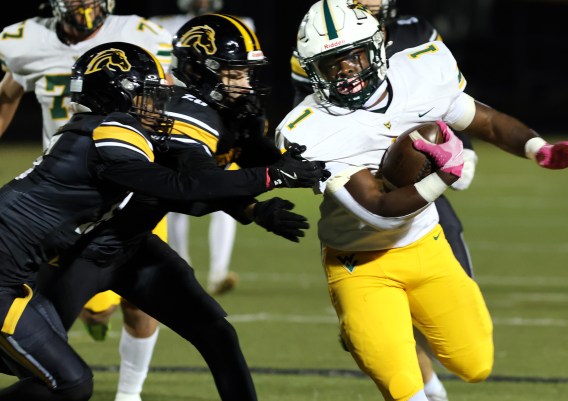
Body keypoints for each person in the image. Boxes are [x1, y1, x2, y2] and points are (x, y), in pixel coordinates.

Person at [275, 0, 568, 401]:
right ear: (311, 71)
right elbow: (379, 211)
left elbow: (487, 121)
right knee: (402, 385)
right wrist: (446, 173)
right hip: (360, 262)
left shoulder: (421, 71)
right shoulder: (309, 129)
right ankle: (363, 324)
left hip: (427, 245)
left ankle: (374, 329)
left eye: (353, 56)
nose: (346, 72)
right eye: (330, 64)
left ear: (378, 45)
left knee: (475, 364)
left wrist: (538, 149)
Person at [0, 40, 325, 400]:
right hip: (79, 254)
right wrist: (270, 177)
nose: (158, 104)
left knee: (213, 331)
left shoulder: (111, 128)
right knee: (59, 375)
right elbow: (185, 186)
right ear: (117, 94)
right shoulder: (111, 130)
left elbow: (185, 184)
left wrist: (252, 206)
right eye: (147, 94)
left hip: (130, 244)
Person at [289, 0, 474, 399]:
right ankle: (425, 389)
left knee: (452, 277)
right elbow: (322, 119)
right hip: (361, 176)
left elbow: (446, 101)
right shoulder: (315, 46)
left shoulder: (416, 33)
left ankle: (427, 379)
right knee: (382, 305)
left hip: (419, 172)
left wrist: (455, 147)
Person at [0, 0, 177, 399]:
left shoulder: (142, 34)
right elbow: (7, 95)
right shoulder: (26, 42)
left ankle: (129, 395)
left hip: (133, 187)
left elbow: (168, 98)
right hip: (71, 198)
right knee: (81, 310)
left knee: (144, 298)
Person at [151, 0, 254, 295]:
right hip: (179, 114)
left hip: (222, 116)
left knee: (228, 186)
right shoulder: (161, 24)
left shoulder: (240, 24)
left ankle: (219, 270)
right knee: (175, 190)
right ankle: (182, 266)